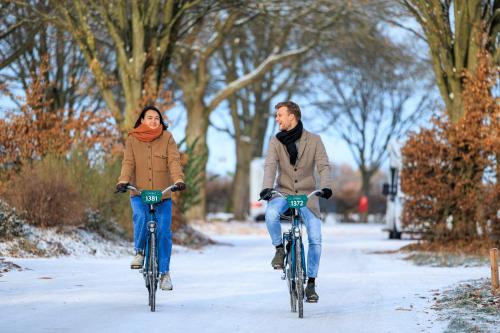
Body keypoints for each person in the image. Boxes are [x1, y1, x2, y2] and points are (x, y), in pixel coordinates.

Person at [260, 101, 333, 303]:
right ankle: (279, 249)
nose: (277, 119)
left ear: (292, 116)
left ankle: (310, 283)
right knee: (271, 215)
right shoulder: (275, 141)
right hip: (283, 193)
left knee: (316, 238)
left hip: (308, 196)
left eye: (280, 115)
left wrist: (326, 186)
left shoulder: (314, 140)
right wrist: (266, 188)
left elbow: (324, 166)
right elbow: (270, 166)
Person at [116, 105, 185, 291]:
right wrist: (123, 181)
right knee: (140, 217)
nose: (154, 121)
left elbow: (173, 161)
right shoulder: (132, 139)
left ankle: (164, 274)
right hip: (139, 193)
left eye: (157, 118)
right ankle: (139, 252)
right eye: (150, 117)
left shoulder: (167, 138)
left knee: (163, 232)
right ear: (142, 120)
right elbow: (128, 162)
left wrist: (178, 180)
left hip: (163, 195)